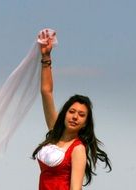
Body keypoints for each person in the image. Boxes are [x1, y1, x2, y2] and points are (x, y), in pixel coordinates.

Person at [32, 30, 112, 190]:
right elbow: (46, 92)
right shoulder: (54, 132)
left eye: (81, 115)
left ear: (85, 123)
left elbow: (76, 188)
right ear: (64, 114)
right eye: (72, 112)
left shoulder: (78, 148)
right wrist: (46, 58)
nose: (75, 117)